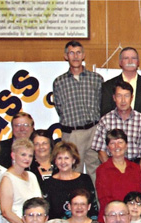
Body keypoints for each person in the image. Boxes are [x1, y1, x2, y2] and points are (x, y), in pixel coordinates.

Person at [53, 40, 103, 177]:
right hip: (73, 133)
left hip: (94, 130)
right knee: (73, 171)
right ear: (66, 56)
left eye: (78, 53)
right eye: (71, 53)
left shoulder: (96, 79)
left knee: (96, 171)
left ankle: (97, 199)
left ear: (83, 55)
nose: (75, 56)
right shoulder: (59, 82)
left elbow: (101, 103)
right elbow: (59, 107)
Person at [93, 81, 141, 169]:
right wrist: (112, 170)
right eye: (119, 96)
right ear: (114, 98)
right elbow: (101, 151)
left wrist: (138, 171)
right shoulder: (105, 120)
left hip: (136, 166)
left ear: (132, 97)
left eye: (126, 96)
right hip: (112, 166)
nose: (123, 100)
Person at [93, 129, 141, 222]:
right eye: (112, 143)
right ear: (108, 147)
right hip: (112, 218)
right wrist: (122, 214)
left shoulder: (136, 168)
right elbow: (104, 200)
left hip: (133, 217)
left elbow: (139, 196)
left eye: (120, 142)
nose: (117, 146)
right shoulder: (102, 170)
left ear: (126, 145)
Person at [0, 138, 43, 223]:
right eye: (23, 155)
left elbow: (40, 204)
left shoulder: (32, 176)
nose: (27, 158)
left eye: (30, 155)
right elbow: (6, 212)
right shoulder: (7, 179)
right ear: (13, 155)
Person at [100, 47, 141, 118]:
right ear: (120, 62)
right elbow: (105, 113)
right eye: (126, 58)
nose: (130, 61)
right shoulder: (108, 86)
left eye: (133, 58)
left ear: (138, 62)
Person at [42, 142, 96, 220]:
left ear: (73, 160)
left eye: (66, 158)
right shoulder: (48, 183)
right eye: (59, 158)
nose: (63, 162)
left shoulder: (85, 179)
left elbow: (93, 207)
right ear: (55, 161)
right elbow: (46, 212)